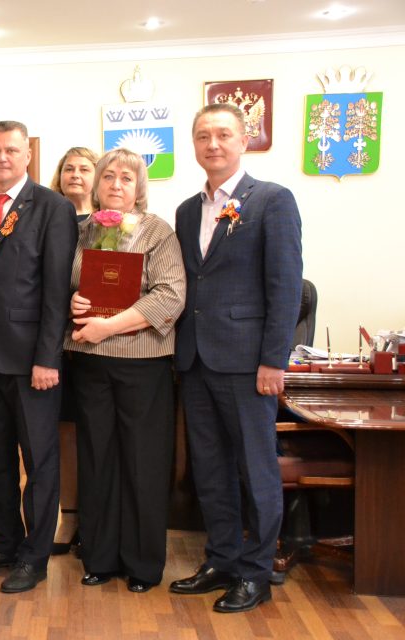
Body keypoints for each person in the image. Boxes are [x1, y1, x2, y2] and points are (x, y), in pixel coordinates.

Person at [169, 103, 303, 613]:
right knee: (209, 469)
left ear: (244, 141)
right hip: (196, 361)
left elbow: (286, 287)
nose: (213, 144)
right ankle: (221, 560)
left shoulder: (271, 200)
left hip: (249, 364)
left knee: (255, 469)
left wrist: (274, 360)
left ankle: (257, 571)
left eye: (224, 134)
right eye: (203, 135)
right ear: (194, 145)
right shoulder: (187, 210)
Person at [0, 121, 78, 593]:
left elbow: (56, 289)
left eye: (11, 150)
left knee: (39, 462)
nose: (2, 157)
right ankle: (3, 541)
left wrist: (48, 357)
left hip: (32, 363)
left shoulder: (52, 207)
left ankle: (35, 556)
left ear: (27, 155)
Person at [66, 148, 186, 593]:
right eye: (109, 176)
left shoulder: (158, 232)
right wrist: (73, 300)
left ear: (139, 188)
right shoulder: (81, 231)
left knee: (142, 462)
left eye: (126, 178)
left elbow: (170, 296)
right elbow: (64, 284)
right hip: (90, 363)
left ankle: (142, 564)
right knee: (97, 460)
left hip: (143, 363)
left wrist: (109, 326)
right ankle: (99, 557)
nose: (116, 184)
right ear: (96, 186)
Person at [48, 146, 100, 556]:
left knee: (95, 432)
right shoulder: (49, 218)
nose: (76, 175)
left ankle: (97, 519)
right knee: (65, 433)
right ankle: (69, 516)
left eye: (85, 168)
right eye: (69, 168)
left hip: (103, 343)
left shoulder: (114, 222)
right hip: (58, 343)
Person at [49, 147, 99, 220]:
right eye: (69, 169)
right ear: (59, 175)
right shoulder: (46, 215)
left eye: (84, 170)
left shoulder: (107, 219)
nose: (75, 175)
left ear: (97, 176)